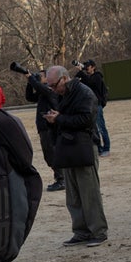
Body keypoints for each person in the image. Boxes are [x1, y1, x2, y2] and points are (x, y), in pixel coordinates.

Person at [43, 65, 109, 247]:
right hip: (69, 147)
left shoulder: (85, 93)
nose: (53, 89)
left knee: (89, 192)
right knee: (73, 194)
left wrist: (59, 119)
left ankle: (98, 231)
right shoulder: (62, 94)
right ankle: (81, 231)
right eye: (50, 87)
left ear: (64, 78)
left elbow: (86, 120)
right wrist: (54, 120)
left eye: (54, 85)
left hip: (84, 146)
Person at [24, 68, 64, 191]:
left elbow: (40, 87)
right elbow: (30, 97)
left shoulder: (50, 90)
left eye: (40, 76)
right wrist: (29, 82)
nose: (38, 78)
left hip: (50, 127)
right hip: (43, 127)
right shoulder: (43, 92)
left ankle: (61, 179)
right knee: (48, 155)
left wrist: (31, 78)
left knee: (52, 153)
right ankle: (60, 177)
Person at [76, 60, 110, 156]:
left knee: (101, 127)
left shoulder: (97, 77)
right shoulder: (88, 77)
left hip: (97, 104)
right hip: (89, 105)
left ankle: (106, 148)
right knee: (94, 128)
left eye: (88, 66)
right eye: (85, 66)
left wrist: (81, 73)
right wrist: (80, 74)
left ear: (93, 67)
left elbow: (91, 83)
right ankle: (99, 148)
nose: (86, 68)